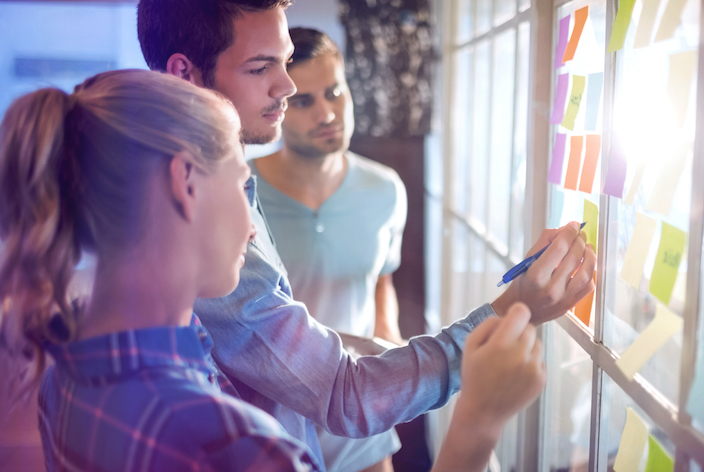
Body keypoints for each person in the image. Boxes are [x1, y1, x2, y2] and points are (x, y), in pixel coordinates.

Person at [136, 0, 597, 467]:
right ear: (185, 74)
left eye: (286, 58)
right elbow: (344, 394)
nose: (288, 85)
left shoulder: (237, 183)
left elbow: (288, 334)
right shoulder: (195, 215)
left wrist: (383, 352)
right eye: (261, 67)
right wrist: (511, 311)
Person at [0, 69, 321, 471]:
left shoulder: (60, 381)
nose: (252, 227)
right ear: (185, 181)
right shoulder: (245, 449)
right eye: (242, 185)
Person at [251, 27, 404, 472]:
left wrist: (389, 340)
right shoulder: (240, 193)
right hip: (271, 421)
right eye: (304, 101)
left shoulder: (386, 190)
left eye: (335, 93)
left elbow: (379, 281)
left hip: (360, 412)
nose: (327, 113)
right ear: (279, 105)